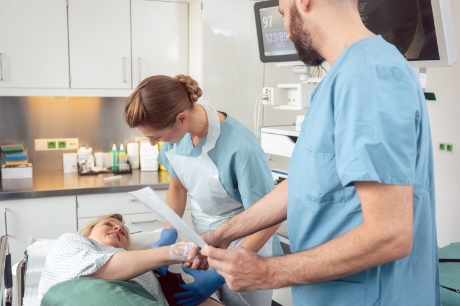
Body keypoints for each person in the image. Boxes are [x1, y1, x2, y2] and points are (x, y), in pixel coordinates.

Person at [190, 0, 440, 305]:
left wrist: (267, 272)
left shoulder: (369, 76)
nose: (286, 31)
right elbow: (303, 184)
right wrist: (224, 233)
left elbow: (389, 234)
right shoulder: (339, 79)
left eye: (282, 13)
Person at [124, 74, 283, 305]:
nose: (152, 143)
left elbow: (269, 219)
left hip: (246, 244)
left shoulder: (242, 149)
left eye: (155, 137)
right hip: (204, 239)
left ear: (181, 118)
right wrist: (168, 233)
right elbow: (178, 186)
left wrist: (222, 272)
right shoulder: (176, 135)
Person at [38, 214, 220, 306]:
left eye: (123, 232)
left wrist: (221, 274)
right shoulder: (72, 242)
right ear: (89, 231)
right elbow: (103, 269)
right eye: (109, 224)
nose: (117, 228)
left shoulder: (149, 272)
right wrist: (176, 251)